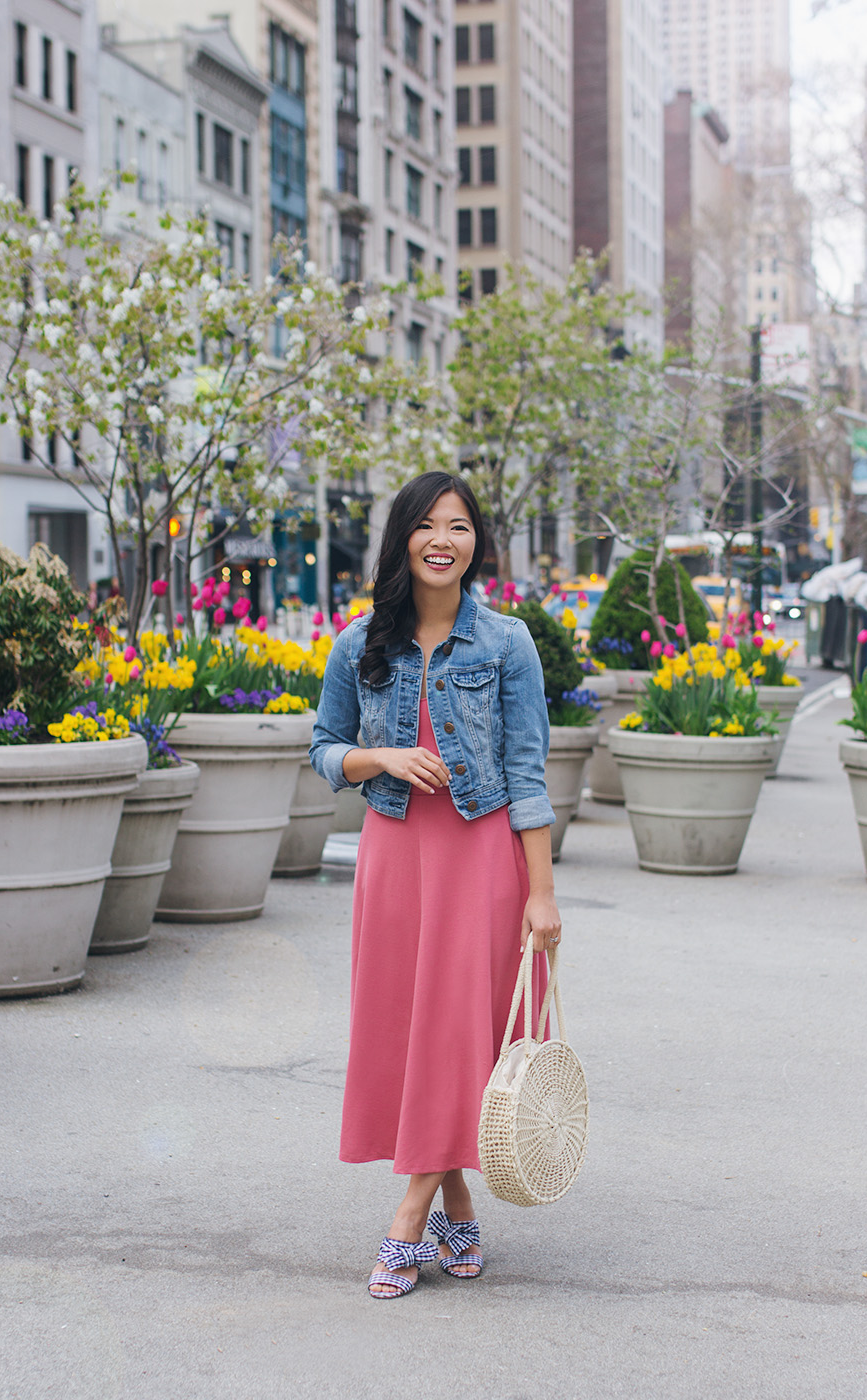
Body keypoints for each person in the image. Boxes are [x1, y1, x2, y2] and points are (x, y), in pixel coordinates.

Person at [309, 471, 561, 1299]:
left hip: (480, 858)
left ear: (476, 544)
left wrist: (542, 893)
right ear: (403, 540)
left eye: (458, 527)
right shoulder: (360, 644)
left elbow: (527, 772)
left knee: (458, 1030)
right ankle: (458, 1200)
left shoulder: (507, 643)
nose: (442, 540)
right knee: (409, 1028)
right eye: (426, 526)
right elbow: (323, 749)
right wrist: (380, 757)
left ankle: (409, 1219)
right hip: (395, 857)